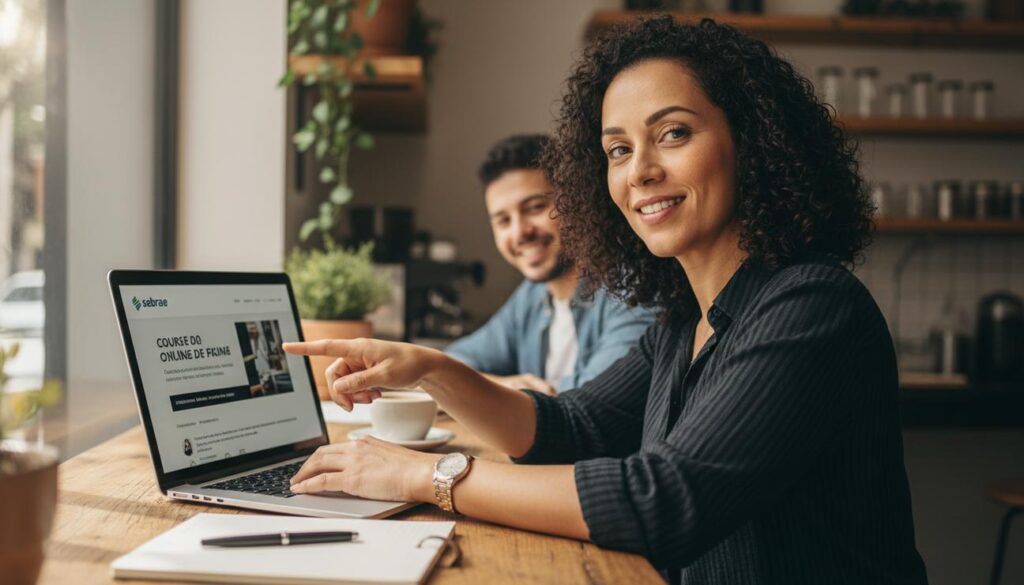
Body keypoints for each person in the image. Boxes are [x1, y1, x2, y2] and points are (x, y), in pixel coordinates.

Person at [282, 17, 928, 585]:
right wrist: (428, 367)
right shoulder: (683, 323)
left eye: (672, 133)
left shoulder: (811, 305)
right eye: (618, 149)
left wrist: (422, 476)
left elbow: (666, 502)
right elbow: (569, 430)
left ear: (752, 144)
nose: (638, 169)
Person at [444, 134, 655, 395]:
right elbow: (450, 362)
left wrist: (502, 392)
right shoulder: (531, 297)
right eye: (503, 221)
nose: (520, 232)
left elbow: (594, 400)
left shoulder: (632, 289)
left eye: (534, 207)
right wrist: (503, 385)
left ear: (577, 202)